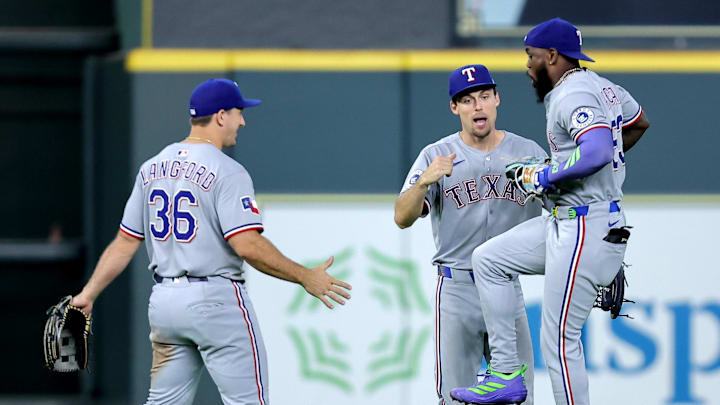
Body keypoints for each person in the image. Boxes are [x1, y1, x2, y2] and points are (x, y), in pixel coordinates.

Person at [70, 78, 352, 405]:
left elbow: (124, 242)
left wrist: (88, 294)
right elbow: (247, 245)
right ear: (220, 116)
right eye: (238, 112)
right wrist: (305, 276)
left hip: (164, 304)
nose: (242, 121)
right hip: (215, 300)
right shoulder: (227, 170)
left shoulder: (151, 168)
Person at [451, 18, 650, 405]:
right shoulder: (603, 86)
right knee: (489, 259)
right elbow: (637, 123)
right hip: (569, 220)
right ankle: (506, 373)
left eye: (532, 56)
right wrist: (582, 172)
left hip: (584, 225)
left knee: (559, 341)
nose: (528, 66)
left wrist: (543, 175)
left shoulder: (570, 93)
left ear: (553, 56)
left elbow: (594, 151)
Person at [394, 64, 548, 405]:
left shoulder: (529, 153)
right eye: (467, 100)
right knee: (455, 397)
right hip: (457, 288)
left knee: (520, 398)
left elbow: (564, 211)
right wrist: (423, 181)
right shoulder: (435, 155)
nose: (477, 105)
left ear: (496, 99)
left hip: (506, 287)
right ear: (455, 107)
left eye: (483, 96)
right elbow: (402, 218)